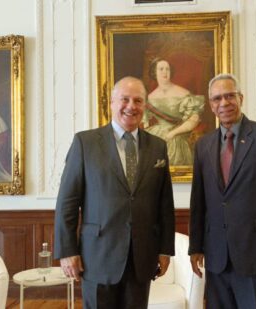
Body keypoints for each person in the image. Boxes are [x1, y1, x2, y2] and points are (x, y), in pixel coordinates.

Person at [54, 76, 175, 309]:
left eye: (138, 100)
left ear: (145, 107)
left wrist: (165, 249)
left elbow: (164, 204)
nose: (131, 106)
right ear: (110, 103)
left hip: (141, 257)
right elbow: (67, 202)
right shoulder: (85, 143)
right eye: (125, 99)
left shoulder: (158, 146)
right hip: (97, 256)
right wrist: (67, 250)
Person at [188, 74, 256, 309]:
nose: (224, 103)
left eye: (230, 96)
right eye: (217, 98)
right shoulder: (203, 145)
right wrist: (195, 246)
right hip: (217, 256)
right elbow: (199, 201)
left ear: (241, 98)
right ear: (211, 105)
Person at [143, 58, 204, 166]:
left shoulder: (183, 93)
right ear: (154, 72)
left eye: (167, 69)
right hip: (156, 136)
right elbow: (145, 123)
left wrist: (172, 133)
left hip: (177, 135)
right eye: (161, 69)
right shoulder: (150, 97)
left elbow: (193, 120)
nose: (165, 72)